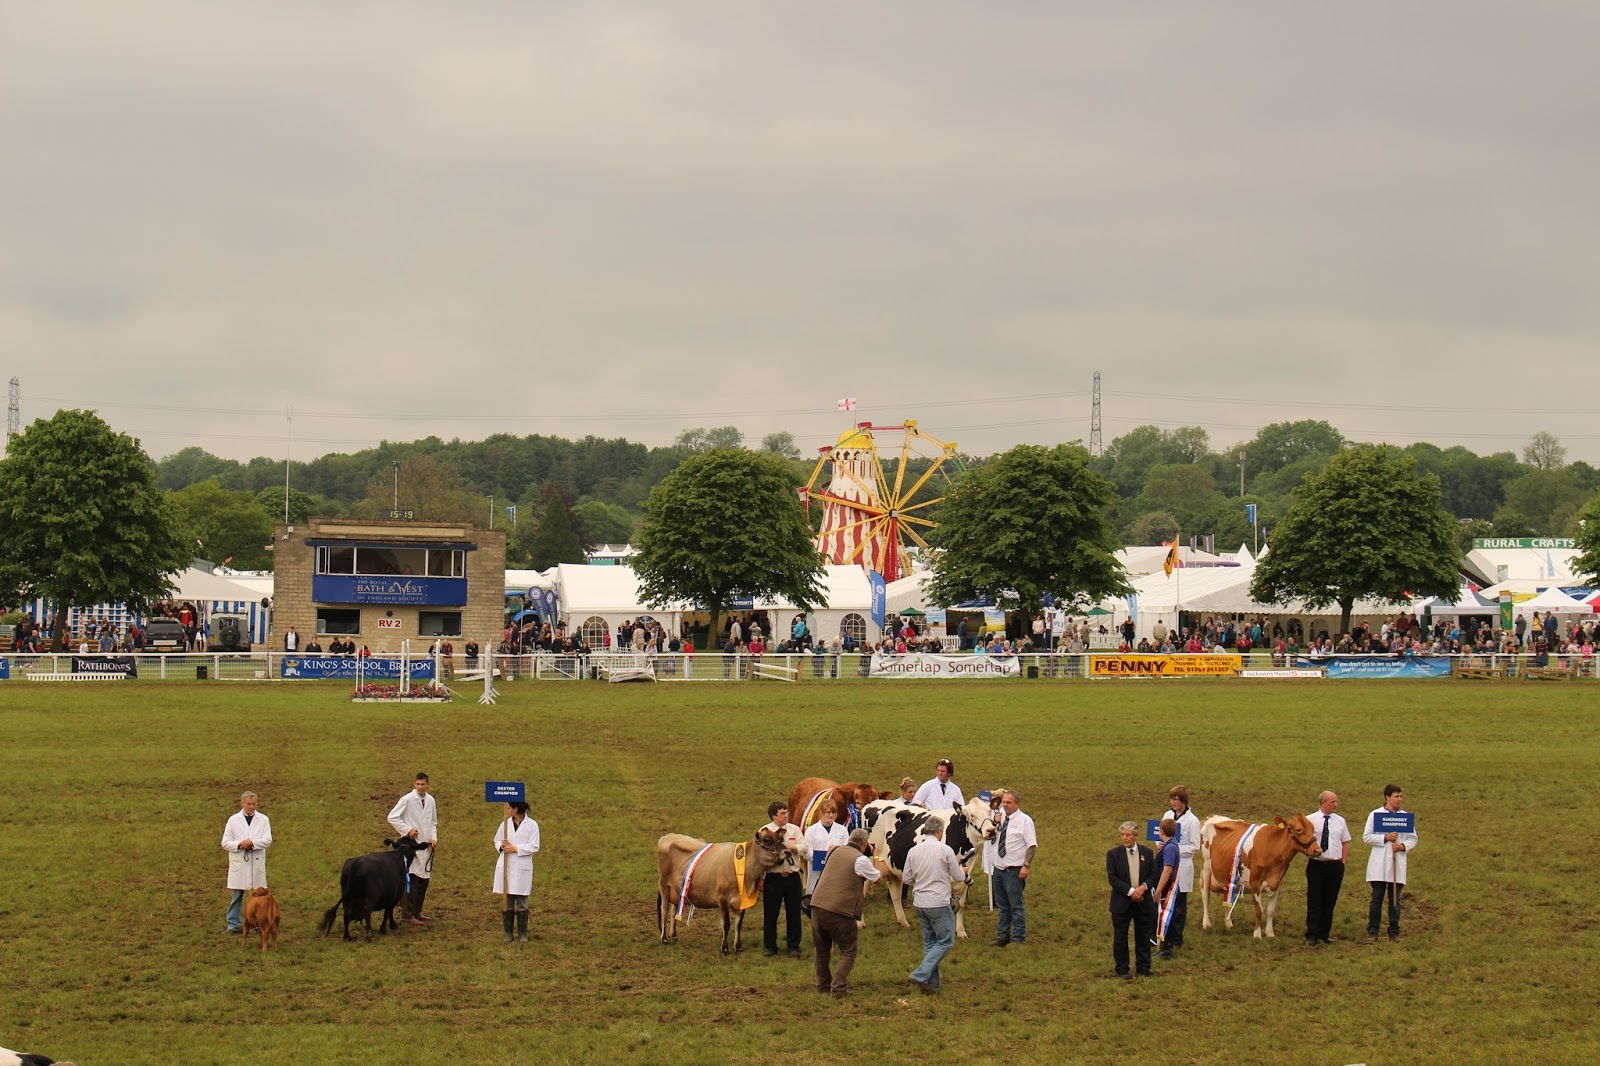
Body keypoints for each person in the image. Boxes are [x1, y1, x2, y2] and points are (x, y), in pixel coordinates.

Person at [809, 828, 885, 997]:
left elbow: (831, 848)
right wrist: (876, 856)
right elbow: (878, 878)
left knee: (822, 949)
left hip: (816, 905)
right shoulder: (859, 860)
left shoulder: (834, 851)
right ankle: (838, 988)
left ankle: (822, 985)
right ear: (865, 844)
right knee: (848, 950)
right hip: (839, 911)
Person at [902, 821, 970, 993]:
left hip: (919, 902)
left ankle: (931, 984)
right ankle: (920, 974)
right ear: (940, 831)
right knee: (946, 941)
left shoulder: (913, 851)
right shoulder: (945, 850)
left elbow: (906, 879)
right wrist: (965, 871)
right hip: (938, 902)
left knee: (930, 942)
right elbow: (957, 875)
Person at [1363, 784, 1418, 942]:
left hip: (1397, 863)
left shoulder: (1405, 817)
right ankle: (1373, 931)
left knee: (1395, 900)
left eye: (1401, 796)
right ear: (1387, 797)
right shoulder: (1375, 815)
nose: (1399, 799)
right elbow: (1367, 837)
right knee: (1377, 899)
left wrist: (1403, 846)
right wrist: (1385, 838)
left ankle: (1394, 931)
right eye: (1396, 796)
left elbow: (1413, 838)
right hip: (1379, 864)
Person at [1107, 820, 1159, 979]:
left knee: (1143, 936)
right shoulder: (1113, 854)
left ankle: (1144, 967)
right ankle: (1122, 969)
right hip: (1122, 903)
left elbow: (1153, 875)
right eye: (1122, 835)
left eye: (1128, 835)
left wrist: (1142, 888)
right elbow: (1113, 878)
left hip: (1143, 902)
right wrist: (1131, 892)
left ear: (1136, 836)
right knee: (1121, 937)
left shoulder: (1147, 853)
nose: (1124, 838)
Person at [387, 773, 439, 924]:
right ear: (414, 784)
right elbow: (392, 817)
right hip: (412, 845)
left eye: (423, 784)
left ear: (427, 785)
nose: (420, 787)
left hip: (426, 845)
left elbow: (433, 822)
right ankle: (407, 914)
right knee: (413, 879)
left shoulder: (430, 800)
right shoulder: (407, 799)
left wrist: (434, 838)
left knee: (424, 880)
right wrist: (407, 830)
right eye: (417, 784)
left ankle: (417, 911)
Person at [1305, 790, 1352, 946]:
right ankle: (1312, 933)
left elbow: (1346, 841)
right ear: (1323, 802)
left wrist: (1343, 862)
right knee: (1314, 900)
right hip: (1317, 865)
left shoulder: (1340, 821)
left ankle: (1325, 933)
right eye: (1333, 802)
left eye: (1336, 801)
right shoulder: (1310, 820)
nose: (1336, 804)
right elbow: (1302, 841)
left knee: (1330, 900)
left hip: (1335, 865)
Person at [990, 789, 1036, 947]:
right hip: (998, 868)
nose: (1005, 805)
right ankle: (1002, 936)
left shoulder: (1025, 821)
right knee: (1003, 906)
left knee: (1016, 905)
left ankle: (1018, 937)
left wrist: (1026, 866)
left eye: (1008, 803)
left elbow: (1031, 846)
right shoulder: (998, 818)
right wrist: (994, 823)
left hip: (1014, 870)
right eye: (1004, 802)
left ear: (1017, 804)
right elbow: (989, 837)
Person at [221, 790, 271, 934]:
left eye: (254, 804)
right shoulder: (233, 820)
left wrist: (252, 843)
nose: (252, 807)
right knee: (237, 894)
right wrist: (240, 845)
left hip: (256, 861)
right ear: (242, 803)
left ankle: (258, 924)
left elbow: (267, 840)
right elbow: (225, 842)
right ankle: (233, 924)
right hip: (240, 862)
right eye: (249, 804)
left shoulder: (263, 819)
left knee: (258, 896)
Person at [1159, 785, 1201, 951]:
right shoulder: (1167, 815)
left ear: (1183, 801)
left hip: (1183, 866)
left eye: (1176, 799)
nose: (1173, 802)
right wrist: (1163, 846)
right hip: (1166, 865)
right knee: (1165, 902)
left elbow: (1195, 846)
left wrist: (1175, 849)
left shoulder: (1193, 821)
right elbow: (1160, 836)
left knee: (1179, 906)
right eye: (1172, 798)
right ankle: (1164, 935)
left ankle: (1177, 938)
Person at [761, 801, 805, 958]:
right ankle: (770, 946)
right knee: (770, 913)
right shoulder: (765, 832)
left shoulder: (794, 830)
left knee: (794, 913)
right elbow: (761, 854)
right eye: (782, 813)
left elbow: (804, 848)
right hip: (774, 877)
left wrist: (791, 847)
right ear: (774, 815)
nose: (786, 815)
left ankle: (794, 945)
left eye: (787, 812)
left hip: (792, 876)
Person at [492, 801, 540, 943]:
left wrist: (516, 848)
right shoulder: (505, 825)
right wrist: (501, 845)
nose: (507, 810)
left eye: (509, 808)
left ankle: (522, 934)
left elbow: (534, 845)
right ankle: (508, 934)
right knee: (507, 901)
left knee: (521, 902)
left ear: (516, 809)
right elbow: (496, 841)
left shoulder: (532, 825)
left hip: (522, 865)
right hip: (507, 865)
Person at [803, 801, 848, 898]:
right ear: (821, 813)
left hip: (836, 871)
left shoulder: (842, 830)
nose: (831, 815)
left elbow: (846, 849)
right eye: (828, 812)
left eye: (833, 813)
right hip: (816, 872)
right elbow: (807, 852)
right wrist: (824, 857)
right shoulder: (811, 831)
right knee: (816, 898)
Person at [1152, 818, 1180, 959]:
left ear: (1161, 831)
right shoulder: (1170, 845)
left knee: (1166, 915)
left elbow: (1167, 870)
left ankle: (1166, 949)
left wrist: (1158, 890)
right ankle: (1163, 947)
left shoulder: (1169, 848)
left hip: (1167, 886)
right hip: (1166, 885)